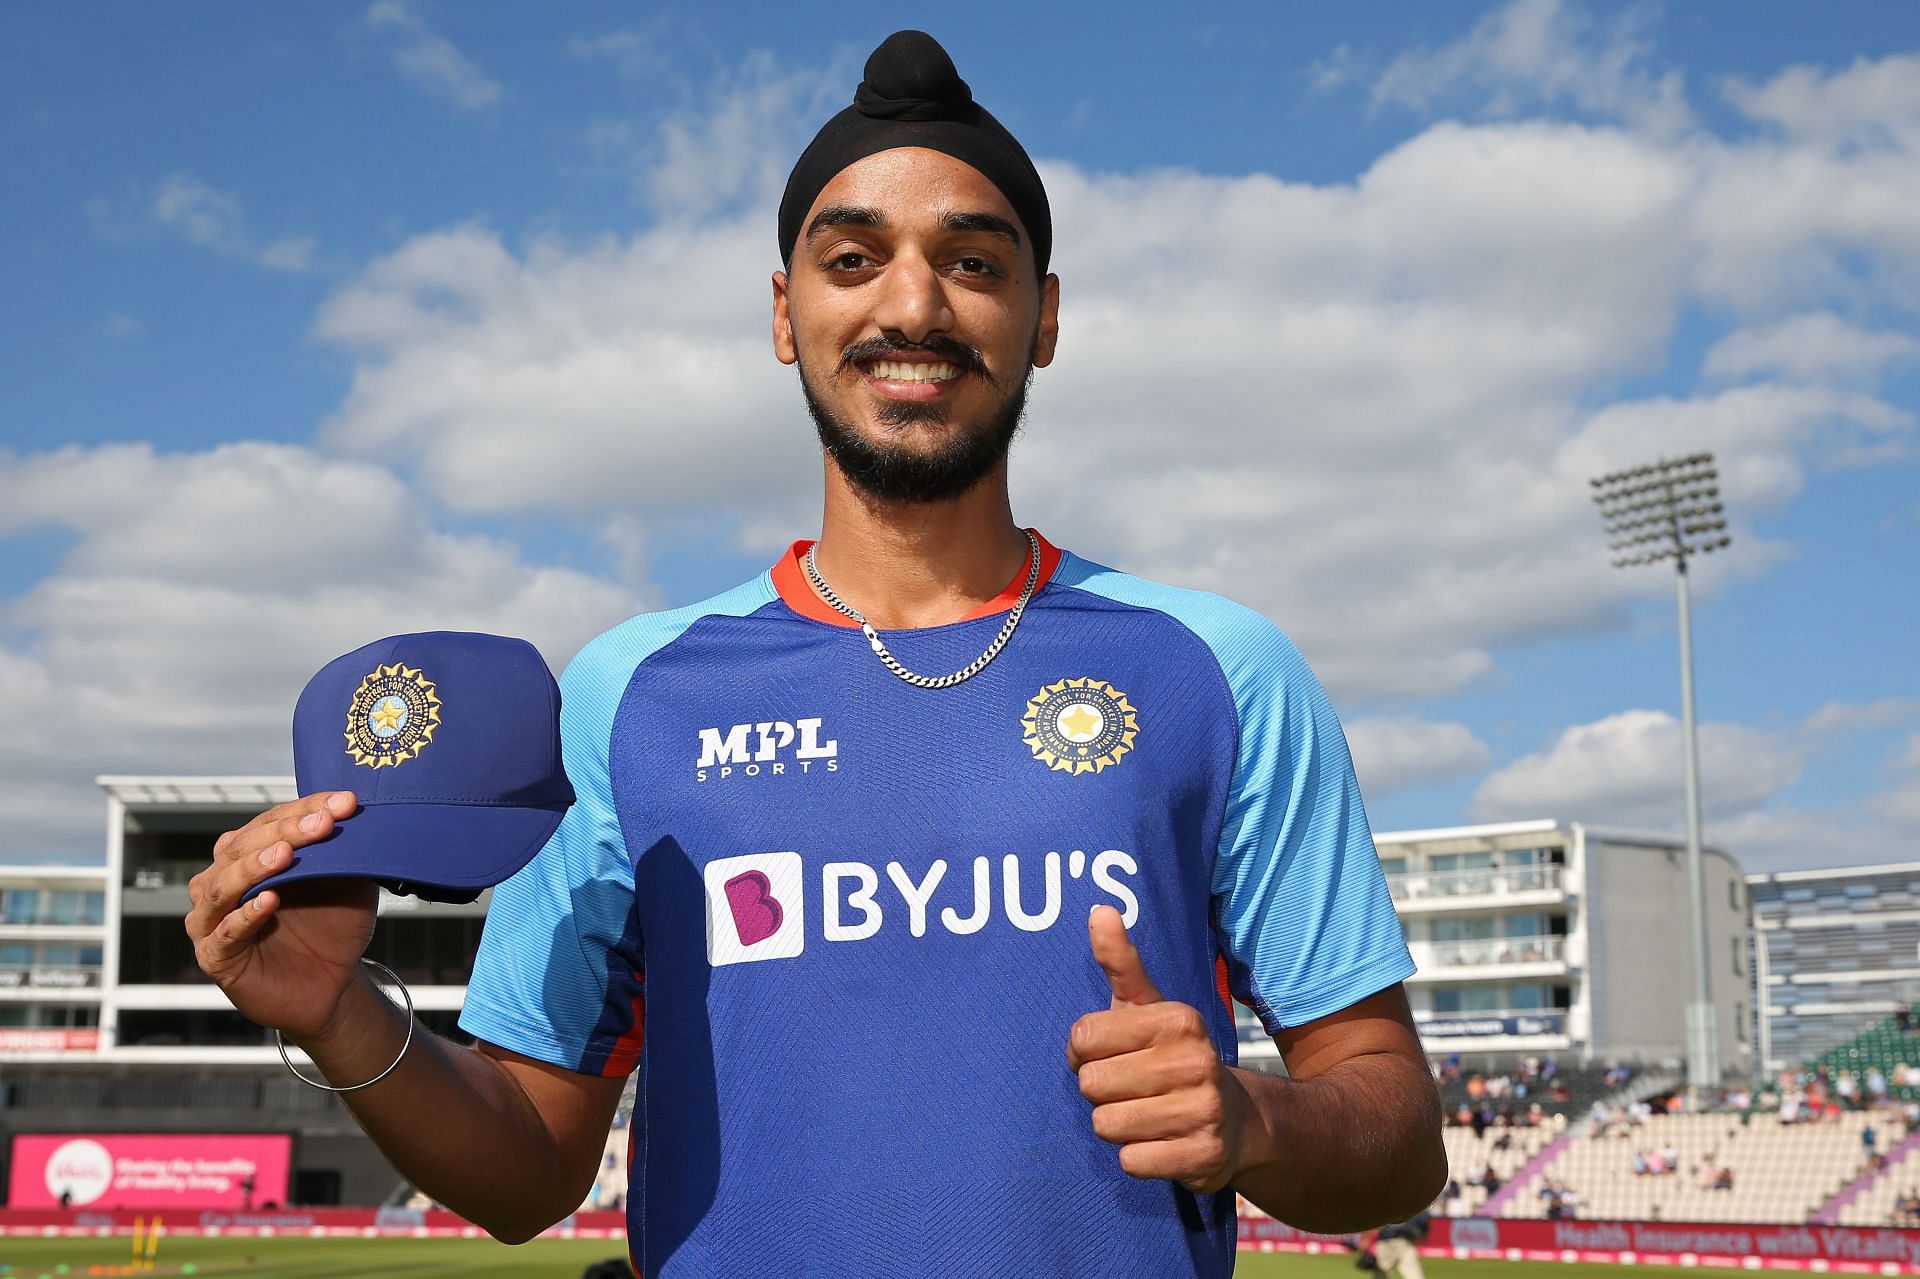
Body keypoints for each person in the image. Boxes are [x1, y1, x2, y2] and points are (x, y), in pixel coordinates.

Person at [181, 30, 1443, 1279]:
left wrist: (1256, 1117)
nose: (912, 303)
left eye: (973, 261)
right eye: (854, 258)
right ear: (786, 316)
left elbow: (1396, 1130)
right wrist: (336, 1015)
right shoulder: (630, 695)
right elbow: (528, 1165)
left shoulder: (1217, 669)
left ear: (1043, 318)